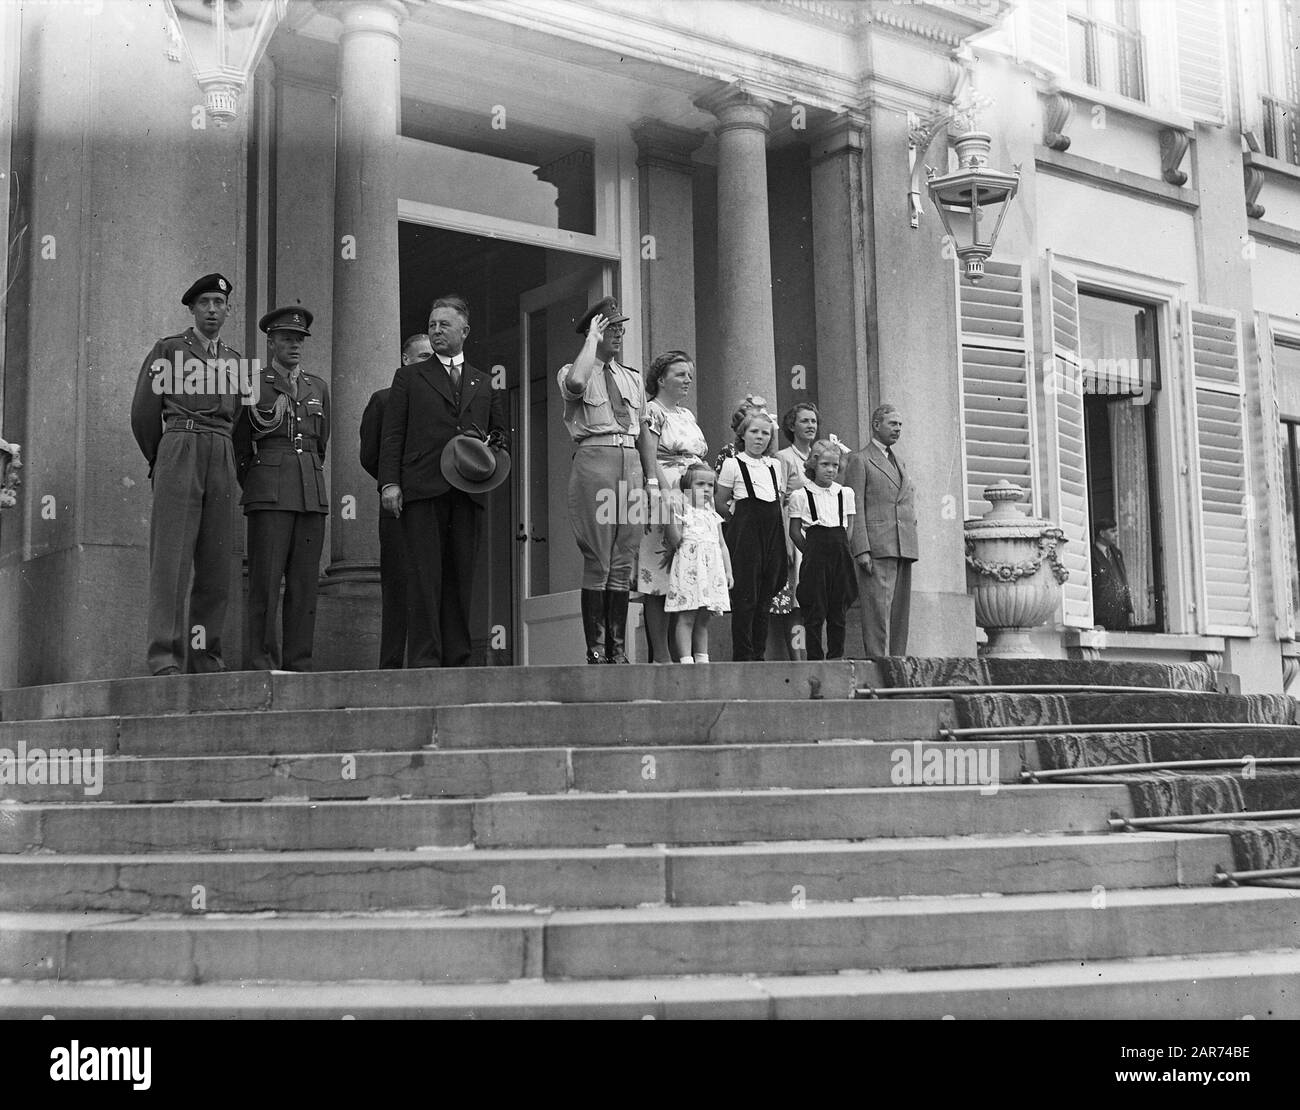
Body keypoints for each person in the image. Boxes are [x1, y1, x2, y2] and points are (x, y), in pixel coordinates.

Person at [379, 295, 509, 669]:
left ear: (464, 331)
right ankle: (425, 660)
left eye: (444, 325)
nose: (436, 330)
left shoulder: (484, 382)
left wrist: (490, 449)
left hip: (467, 493)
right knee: (424, 578)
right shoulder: (408, 377)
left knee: (460, 578)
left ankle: (458, 659)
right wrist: (390, 484)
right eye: (432, 324)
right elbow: (393, 435)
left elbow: (501, 435)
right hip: (422, 490)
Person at [130, 272, 241, 676]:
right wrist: (162, 460)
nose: (213, 309)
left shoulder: (234, 360)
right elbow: (144, 413)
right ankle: (165, 656)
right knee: (171, 560)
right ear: (193, 309)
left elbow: (239, 418)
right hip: (181, 445)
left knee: (215, 563)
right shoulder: (170, 349)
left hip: (221, 451)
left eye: (219, 303)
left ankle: (204, 654)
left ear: (228, 310)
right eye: (205, 303)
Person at [234, 306, 330, 671]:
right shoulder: (253, 384)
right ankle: (262, 663)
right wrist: (259, 481)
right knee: (265, 582)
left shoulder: (316, 386)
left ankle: (299, 663)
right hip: (269, 492)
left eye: (299, 339)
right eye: (287, 339)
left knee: (305, 585)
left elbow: (321, 443)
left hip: (310, 493)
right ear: (271, 341)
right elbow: (240, 444)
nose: (295, 345)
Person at [558, 296, 653, 664]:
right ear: (593, 331)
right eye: (610, 328)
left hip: (629, 462)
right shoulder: (573, 369)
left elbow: (643, 431)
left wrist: (652, 482)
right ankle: (596, 649)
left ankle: (618, 649)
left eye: (620, 328)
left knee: (623, 558)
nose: (619, 334)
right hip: (595, 458)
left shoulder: (630, 377)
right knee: (598, 556)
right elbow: (579, 384)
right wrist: (590, 344)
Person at [359, 332, 432, 668]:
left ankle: (427, 663)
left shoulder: (442, 401)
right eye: (421, 357)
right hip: (398, 507)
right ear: (405, 359)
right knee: (398, 587)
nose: (427, 363)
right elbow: (371, 455)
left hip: (433, 508)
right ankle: (390, 665)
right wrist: (396, 484)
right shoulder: (384, 400)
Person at [634, 350, 708, 663]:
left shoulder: (686, 415)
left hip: (693, 498)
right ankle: (661, 655)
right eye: (680, 374)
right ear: (661, 378)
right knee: (659, 574)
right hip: (665, 494)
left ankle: (688, 654)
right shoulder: (652, 410)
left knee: (686, 571)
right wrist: (665, 496)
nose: (687, 380)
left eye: (689, 375)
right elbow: (649, 455)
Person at [844, 403, 918, 657]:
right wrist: (861, 548)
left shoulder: (900, 462)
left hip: (903, 544)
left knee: (899, 612)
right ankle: (879, 661)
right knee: (877, 610)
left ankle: (896, 662)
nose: (897, 429)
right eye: (892, 424)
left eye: (900, 424)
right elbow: (855, 506)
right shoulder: (860, 459)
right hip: (877, 545)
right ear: (876, 426)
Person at [717, 404, 788, 661]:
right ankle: (743, 655)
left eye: (765, 433)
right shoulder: (733, 464)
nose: (760, 437)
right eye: (755, 432)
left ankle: (759, 654)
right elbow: (720, 501)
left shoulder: (774, 466)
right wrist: (738, 523)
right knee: (745, 598)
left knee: (765, 597)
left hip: (771, 535)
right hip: (746, 536)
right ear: (743, 434)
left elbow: (777, 503)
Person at [789, 439, 856, 660]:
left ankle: (836, 655)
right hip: (815, 553)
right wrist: (809, 552)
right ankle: (815, 657)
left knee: (838, 608)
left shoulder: (845, 493)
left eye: (835, 465)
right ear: (813, 466)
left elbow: (850, 526)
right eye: (825, 464)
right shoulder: (801, 495)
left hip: (839, 553)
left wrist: (842, 549)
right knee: (814, 608)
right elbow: (795, 531)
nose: (830, 470)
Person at [665, 463, 732, 664]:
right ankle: (686, 660)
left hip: (710, 572)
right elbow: (675, 540)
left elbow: (722, 545)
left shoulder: (713, 515)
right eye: (700, 484)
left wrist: (728, 572)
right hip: (690, 571)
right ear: (687, 487)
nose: (706, 489)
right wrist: (669, 514)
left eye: (710, 485)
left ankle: (703, 660)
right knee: (687, 617)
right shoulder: (683, 511)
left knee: (704, 619)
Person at [769, 401, 821, 661]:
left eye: (813, 421)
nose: (810, 425)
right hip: (795, 528)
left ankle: (812, 653)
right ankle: (797, 658)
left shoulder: (820, 457)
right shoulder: (784, 458)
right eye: (805, 421)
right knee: (795, 602)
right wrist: (787, 542)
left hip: (816, 532)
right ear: (792, 425)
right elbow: (779, 501)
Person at [1091, 517, 1134, 630]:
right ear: (1102, 533)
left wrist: (1129, 609)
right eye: (1112, 531)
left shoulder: (1117, 553)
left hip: (1120, 614)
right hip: (1101, 613)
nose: (1116, 534)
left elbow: (1124, 580)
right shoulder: (1091, 553)